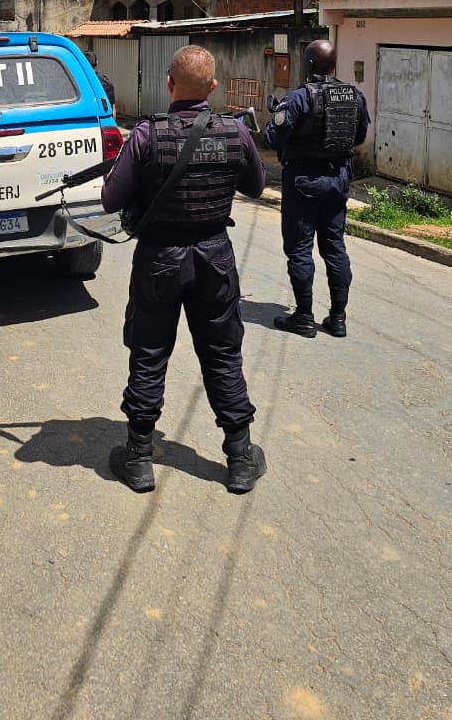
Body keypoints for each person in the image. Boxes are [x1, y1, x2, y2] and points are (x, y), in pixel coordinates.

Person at [100, 45, 267, 495]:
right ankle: (239, 458)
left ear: (168, 84)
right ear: (213, 87)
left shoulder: (145, 136)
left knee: (149, 352)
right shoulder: (235, 132)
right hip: (214, 257)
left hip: (159, 259)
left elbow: (110, 200)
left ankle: (138, 458)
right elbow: (256, 186)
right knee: (222, 353)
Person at [263, 39, 369, 340]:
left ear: (309, 64)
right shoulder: (355, 96)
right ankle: (338, 319)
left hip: (303, 182)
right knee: (335, 247)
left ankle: (304, 317)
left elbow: (272, 138)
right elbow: (360, 136)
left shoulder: (299, 98)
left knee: (299, 248)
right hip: (338, 180)